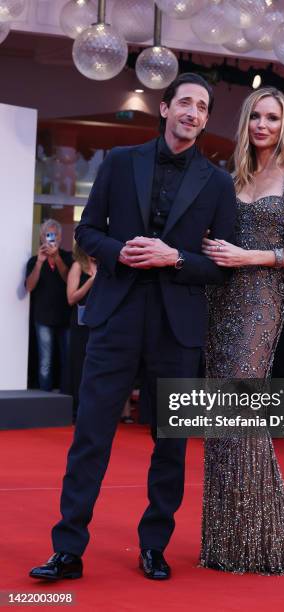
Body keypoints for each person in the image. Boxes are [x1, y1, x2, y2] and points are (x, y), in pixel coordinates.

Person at [29, 73, 237, 582]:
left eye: (202, 107)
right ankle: (68, 549)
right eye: (184, 102)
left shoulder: (218, 182)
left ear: (206, 120)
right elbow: (88, 232)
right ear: (164, 109)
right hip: (115, 316)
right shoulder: (122, 163)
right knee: (91, 436)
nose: (192, 112)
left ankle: (154, 546)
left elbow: (221, 265)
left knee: (170, 444)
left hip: (178, 329)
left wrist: (175, 257)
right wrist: (118, 252)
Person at [200, 87, 284, 575]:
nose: (262, 125)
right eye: (255, 116)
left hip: (260, 302)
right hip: (220, 300)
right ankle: (229, 541)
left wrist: (250, 257)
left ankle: (267, 540)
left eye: (272, 117)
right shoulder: (230, 177)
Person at [25, 219, 72, 392]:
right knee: (45, 362)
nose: (51, 239)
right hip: (43, 318)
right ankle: (45, 399)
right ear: (42, 237)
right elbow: (29, 287)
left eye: (54, 235)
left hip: (65, 317)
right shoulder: (34, 260)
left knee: (67, 359)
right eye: (47, 235)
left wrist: (56, 258)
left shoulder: (68, 257)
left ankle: (66, 396)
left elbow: (70, 280)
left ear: (60, 237)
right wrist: (40, 262)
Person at [66, 243, 97, 423]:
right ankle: (77, 410)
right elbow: (71, 298)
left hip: (99, 322)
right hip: (80, 323)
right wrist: (91, 282)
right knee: (79, 367)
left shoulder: (102, 264)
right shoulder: (78, 265)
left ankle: (92, 411)